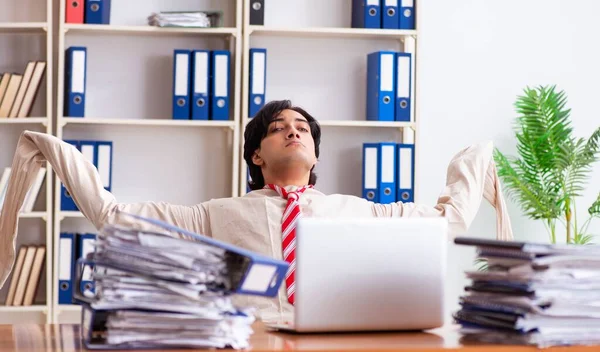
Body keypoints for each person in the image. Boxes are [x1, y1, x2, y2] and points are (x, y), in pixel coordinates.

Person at [0, 99, 513, 323]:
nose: (294, 130)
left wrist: (475, 155)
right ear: (256, 154)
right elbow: (115, 217)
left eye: (304, 129)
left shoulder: (360, 212)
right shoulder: (213, 215)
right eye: (278, 127)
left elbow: (447, 222)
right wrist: (51, 149)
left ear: (314, 155)